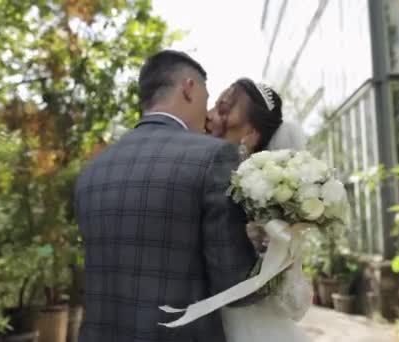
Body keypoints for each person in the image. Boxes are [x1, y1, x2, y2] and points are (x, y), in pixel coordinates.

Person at [75, 50, 259, 342]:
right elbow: (235, 286)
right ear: (188, 88)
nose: (208, 113)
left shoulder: (92, 171)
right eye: (206, 98)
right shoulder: (212, 156)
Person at [206, 78, 311, 342]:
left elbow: (291, 294)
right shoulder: (210, 171)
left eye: (224, 110)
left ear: (250, 134)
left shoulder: (264, 196)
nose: (209, 116)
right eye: (216, 105)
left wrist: (265, 246)